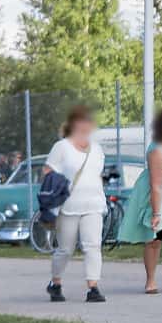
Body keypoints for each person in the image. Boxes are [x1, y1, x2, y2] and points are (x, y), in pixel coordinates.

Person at [115, 105, 162, 294]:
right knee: (154, 240)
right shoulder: (157, 149)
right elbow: (156, 184)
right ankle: (151, 281)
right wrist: (157, 212)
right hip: (159, 196)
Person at [43, 106, 107, 303]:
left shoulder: (97, 149)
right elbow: (48, 172)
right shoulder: (61, 147)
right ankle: (56, 283)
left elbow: (97, 174)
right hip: (68, 205)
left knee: (93, 246)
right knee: (65, 249)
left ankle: (93, 288)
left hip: (94, 203)